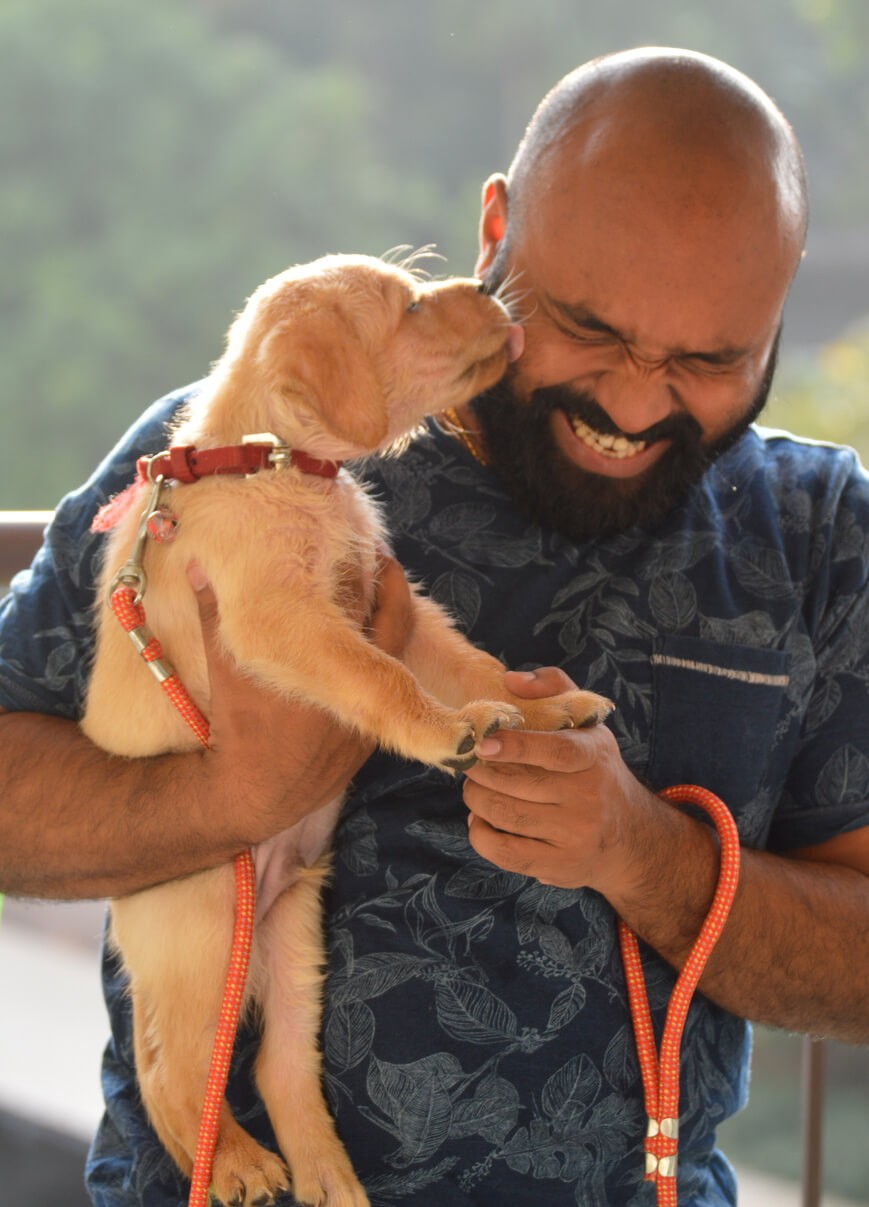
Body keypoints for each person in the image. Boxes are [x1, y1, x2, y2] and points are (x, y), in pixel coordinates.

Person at [1, 45, 867, 1206]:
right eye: (586, 327)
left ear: (778, 302)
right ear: (495, 230)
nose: (630, 398)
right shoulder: (250, 452)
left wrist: (646, 856)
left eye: (710, 358)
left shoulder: (815, 537)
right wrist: (226, 799)